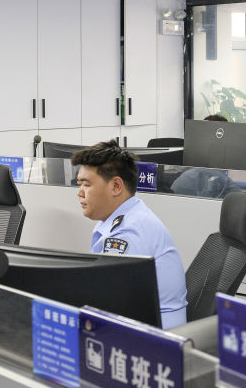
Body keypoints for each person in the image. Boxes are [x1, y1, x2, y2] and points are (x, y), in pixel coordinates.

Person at [71, 140, 187, 328]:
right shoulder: (119, 217)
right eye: (79, 184)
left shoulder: (129, 233)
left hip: (157, 335)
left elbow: (113, 305)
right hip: (142, 324)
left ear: (116, 186)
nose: (80, 193)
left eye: (86, 185)